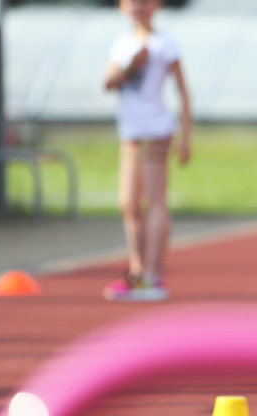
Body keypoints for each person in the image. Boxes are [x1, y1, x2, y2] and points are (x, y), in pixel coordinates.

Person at [102, 0, 191, 302]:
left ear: (156, 5)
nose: (138, 7)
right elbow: (109, 82)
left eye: (144, 1)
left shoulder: (165, 43)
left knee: (155, 201)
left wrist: (186, 135)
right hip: (130, 132)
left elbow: (183, 91)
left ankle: (153, 275)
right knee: (128, 203)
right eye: (133, 2)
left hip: (155, 129)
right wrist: (132, 65)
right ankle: (138, 272)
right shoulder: (122, 42)